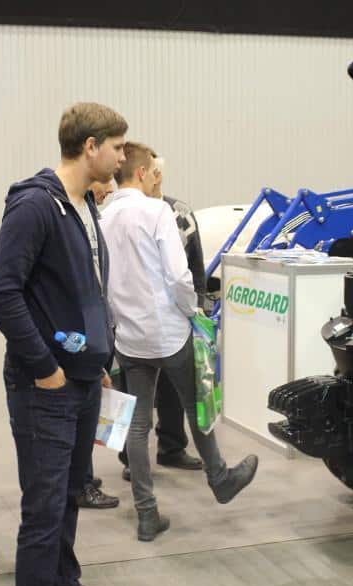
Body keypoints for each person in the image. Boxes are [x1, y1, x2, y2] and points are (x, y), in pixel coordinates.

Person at [0, 102, 127, 586]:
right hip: (44, 385)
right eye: (117, 148)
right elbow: (1, 293)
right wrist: (45, 368)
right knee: (43, 508)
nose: (122, 158)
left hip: (84, 378)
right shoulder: (35, 205)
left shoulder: (84, 205)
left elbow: (82, 290)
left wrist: (97, 359)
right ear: (90, 146)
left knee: (70, 493)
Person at [101, 142, 258, 542]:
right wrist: (193, 312)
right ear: (141, 173)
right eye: (154, 172)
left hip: (129, 337)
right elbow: (178, 275)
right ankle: (220, 479)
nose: (158, 178)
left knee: (137, 425)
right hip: (169, 332)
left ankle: (146, 513)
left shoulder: (104, 216)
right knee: (197, 404)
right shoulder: (157, 212)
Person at [116, 155, 204, 482]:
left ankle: (172, 447)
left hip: (171, 321)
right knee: (128, 397)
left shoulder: (178, 212)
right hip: (130, 322)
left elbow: (193, 265)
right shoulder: (118, 214)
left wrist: (197, 307)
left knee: (172, 391)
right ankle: (130, 458)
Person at [75, 179, 120, 510]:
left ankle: (84, 475)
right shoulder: (74, 215)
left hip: (101, 325)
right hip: (86, 332)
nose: (110, 190)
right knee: (84, 410)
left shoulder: (93, 214)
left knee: (94, 405)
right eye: (106, 182)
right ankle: (83, 483)